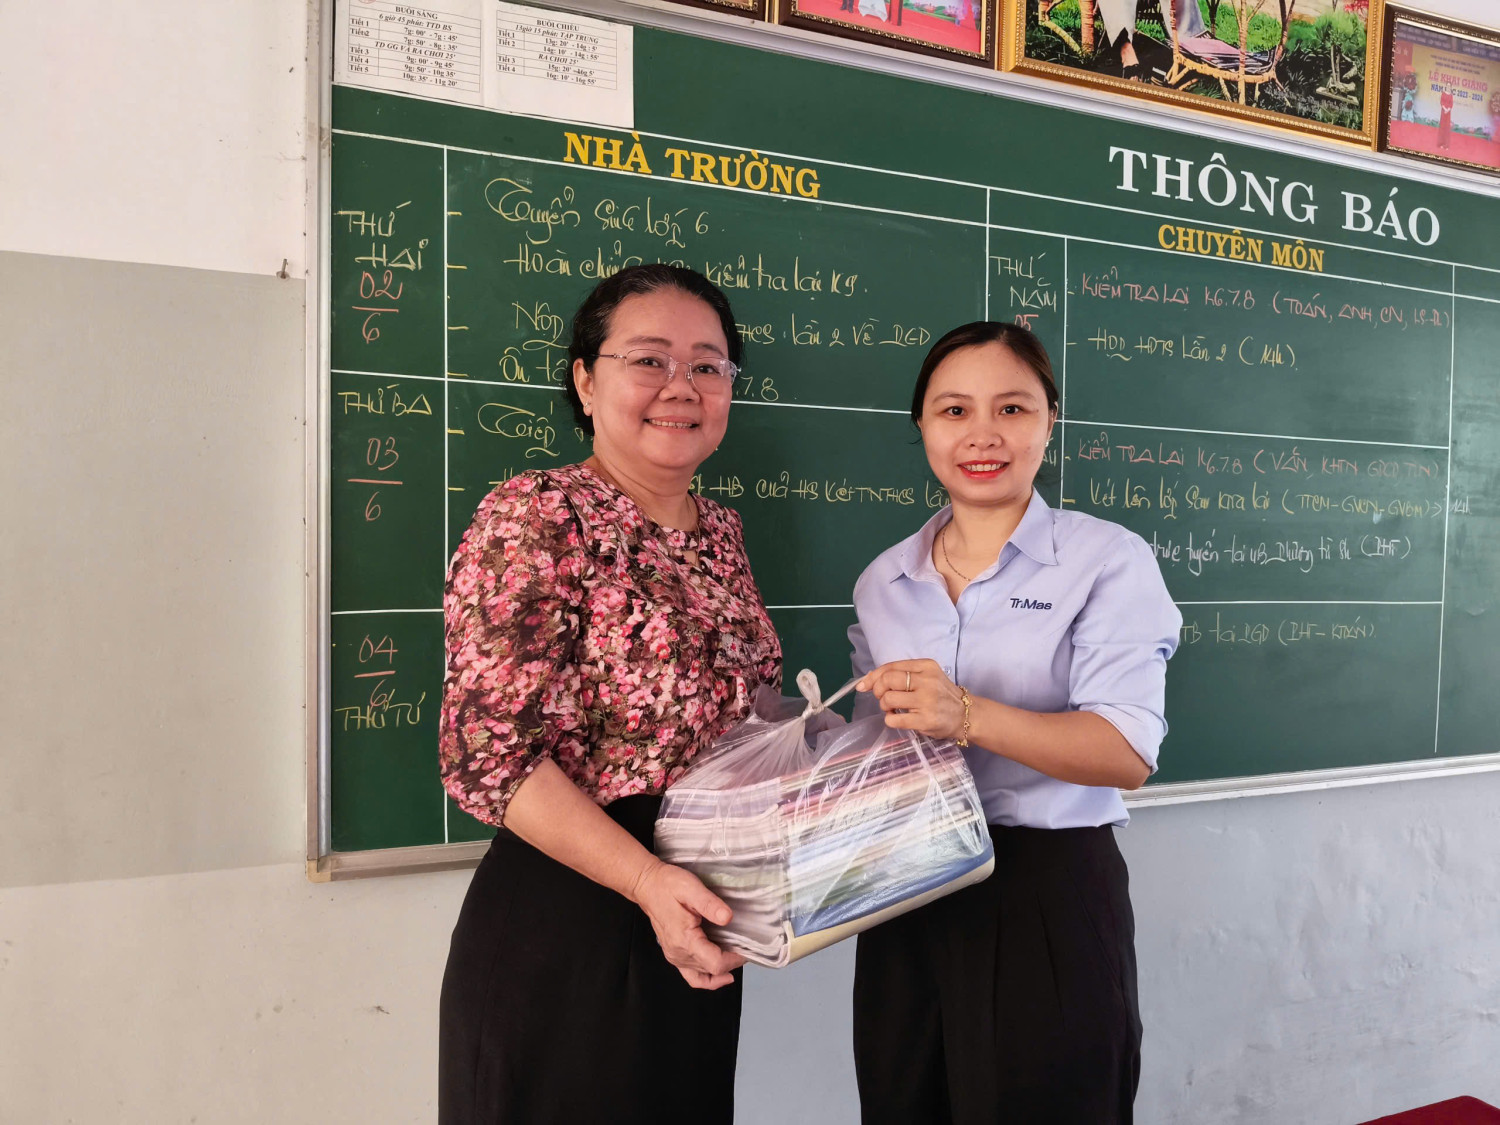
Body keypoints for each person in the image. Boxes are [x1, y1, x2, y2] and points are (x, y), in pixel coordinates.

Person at [437, 264, 782, 1125]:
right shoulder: (537, 515)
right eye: (649, 359)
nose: (682, 386)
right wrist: (644, 880)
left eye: (708, 365)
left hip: (694, 914)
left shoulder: (723, 533)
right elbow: (490, 758)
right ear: (587, 381)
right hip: (574, 920)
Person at [848, 321, 1181, 1123]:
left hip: (1045, 891)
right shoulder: (882, 581)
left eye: (1012, 408)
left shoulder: (1107, 559)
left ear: (1049, 420)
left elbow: (1126, 751)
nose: (982, 434)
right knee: (903, 1104)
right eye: (954, 410)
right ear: (923, 425)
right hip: (906, 888)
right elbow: (877, 746)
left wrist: (965, 713)